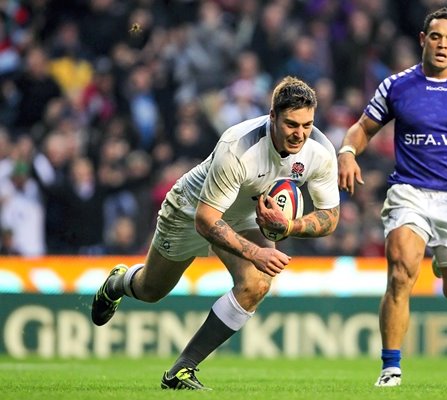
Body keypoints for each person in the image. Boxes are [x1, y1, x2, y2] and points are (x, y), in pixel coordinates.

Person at [91, 76, 340, 390]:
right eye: (292, 124)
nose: (300, 134)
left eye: (307, 125)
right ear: (272, 116)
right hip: (191, 208)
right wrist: (256, 252)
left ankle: (182, 370)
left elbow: (331, 217)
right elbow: (206, 221)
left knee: (256, 284)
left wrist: (290, 226)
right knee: (151, 291)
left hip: (243, 216)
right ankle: (118, 283)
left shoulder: (320, 150)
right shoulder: (238, 145)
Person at [337, 7, 447, 387]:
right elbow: (361, 129)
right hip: (410, 192)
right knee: (400, 272)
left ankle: (441, 262)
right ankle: (391, 368)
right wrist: (347, 153)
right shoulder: (397, 85)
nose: (442, 45)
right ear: (422, 39)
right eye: (436, 37)